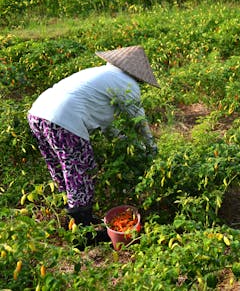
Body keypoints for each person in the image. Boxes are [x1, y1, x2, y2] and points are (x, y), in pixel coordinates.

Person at [27, 45, 159, 243]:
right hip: (64, 119)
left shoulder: (100, 73)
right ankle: (84, 233)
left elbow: (107, 125)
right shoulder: (128, 86)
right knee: (81, 171)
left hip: (37, 113)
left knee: (62, 168)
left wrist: (123, 142)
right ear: (139, 74)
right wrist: (152, 150)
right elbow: (140, 125)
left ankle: (75, 217)